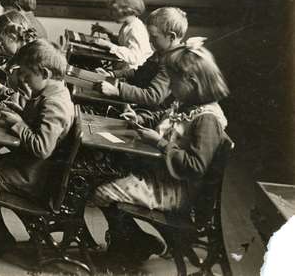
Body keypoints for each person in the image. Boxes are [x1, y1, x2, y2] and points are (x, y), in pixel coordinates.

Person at [92, 41, 230, 266]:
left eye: (173, 81)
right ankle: (132, 242)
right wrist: (139, 119)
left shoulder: (207, 119)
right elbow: (162, 119)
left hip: (180, 191)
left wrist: (160, 143)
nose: (170, 86)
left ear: (192, 82)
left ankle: (132, 244)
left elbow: (196, 167)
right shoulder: (185, 104)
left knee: (102, 191)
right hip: (165, 177)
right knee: (102, 173)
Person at [0, 40, 75, 252]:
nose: (23, 79)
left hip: (33, 177)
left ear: (44, 73)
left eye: (26, 74)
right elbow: (42, 128)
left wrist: (19, 124)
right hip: (30, 168)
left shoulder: (54, 104)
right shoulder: (53, 94)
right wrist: (22, 113)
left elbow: (42, 148)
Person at [97, 6, 187, 108]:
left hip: (151, 114)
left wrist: (118, 89)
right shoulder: (160, 53)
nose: (150, 40)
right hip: (140, 103)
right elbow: (137, 72)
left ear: (172, 36)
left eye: (154, 36)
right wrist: (112, 74)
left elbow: (153, 96)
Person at [90, 0, 150, 69]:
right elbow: (125, 43)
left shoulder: (136, 29)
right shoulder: (129, 25)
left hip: (132, 74)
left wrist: (109, 45)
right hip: (123, 69)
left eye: (113, 11)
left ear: (126, 11)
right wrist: (109, 33)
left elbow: (134, 58)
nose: (110, 14)